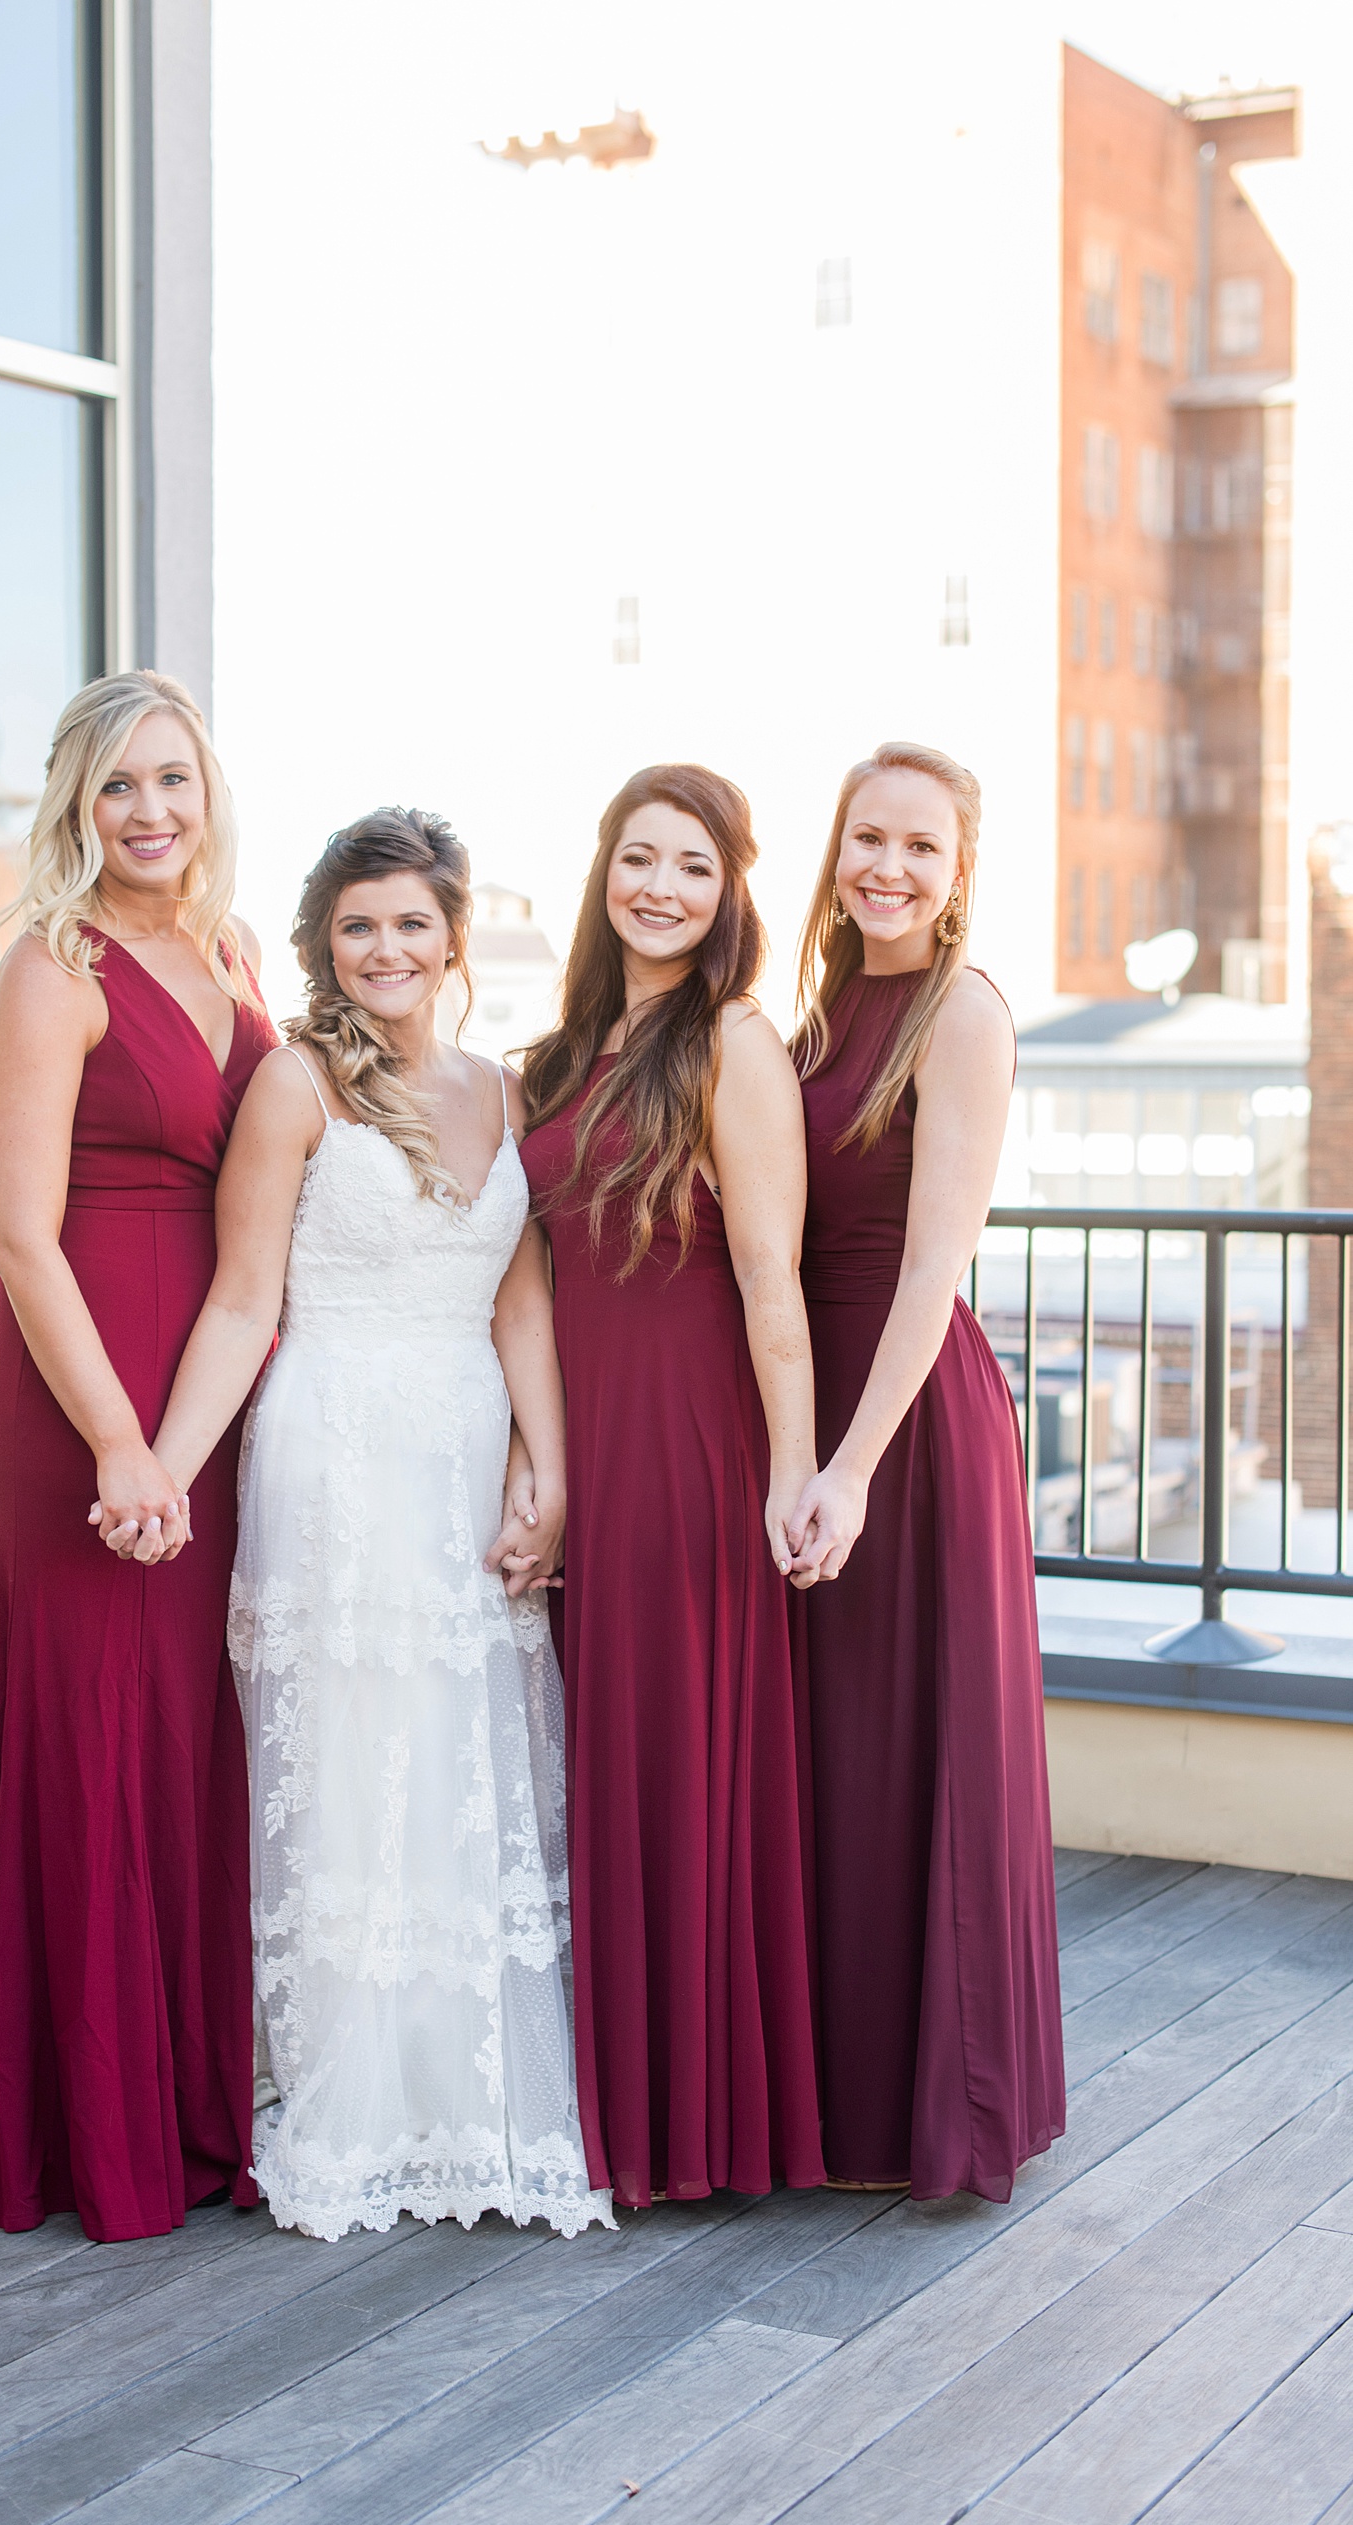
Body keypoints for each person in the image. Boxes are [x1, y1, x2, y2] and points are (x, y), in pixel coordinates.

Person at [111, 807, 610, 2244]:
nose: (384, 948)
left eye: (408, 922)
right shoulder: (297, 1085)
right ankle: (351, 2104)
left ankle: (472, 2101)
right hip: (332, 1451)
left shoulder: (508, 1092)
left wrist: (552, 1472)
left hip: (464, 1444)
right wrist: (158, 1465)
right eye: (355, 926)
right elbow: (242, 1299)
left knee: (469, 1750)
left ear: (453, 933)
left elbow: (521, 1301)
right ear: (329, 944)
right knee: (347, 1767)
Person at [0, 669, 273, 2242]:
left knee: (187, 1736)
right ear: (76, 802)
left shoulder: (233, 954)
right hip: (81, 1392)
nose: (150, 812)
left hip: (207, 1383)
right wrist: (122, 1442)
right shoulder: (48, 970)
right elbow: (20, 1232)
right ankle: (75, 2131)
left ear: (209, 795)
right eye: (120, 785)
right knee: (91, 1735)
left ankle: (187, 2108)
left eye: (174, 781)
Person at [517, 763, 825, 2212]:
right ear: (603, 873)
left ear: (730, 893)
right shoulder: (563, 1054)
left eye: (692, 866)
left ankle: (684, 2120)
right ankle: (601, 2097)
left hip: (690, 1448)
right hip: (584, 1434)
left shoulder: (733, 1046)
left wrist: (797, 1466)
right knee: (593, 1764)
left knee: (673, 1765)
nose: (660, 886)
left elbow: (772, 1281)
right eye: (638, 857)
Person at [786, 739, 1065, 2202]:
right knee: (834, 1756)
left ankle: (935, 2106)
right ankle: (833, 2094)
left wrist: (851, 1462)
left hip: (901, 1417)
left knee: (916, 1749)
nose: (887, 865)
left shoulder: (959, 1013)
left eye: (919, 846)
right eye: (866, 837)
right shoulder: (818, 1015)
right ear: (834, 851)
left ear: (959, 875)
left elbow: (929, 1268)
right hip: (811, 1414)